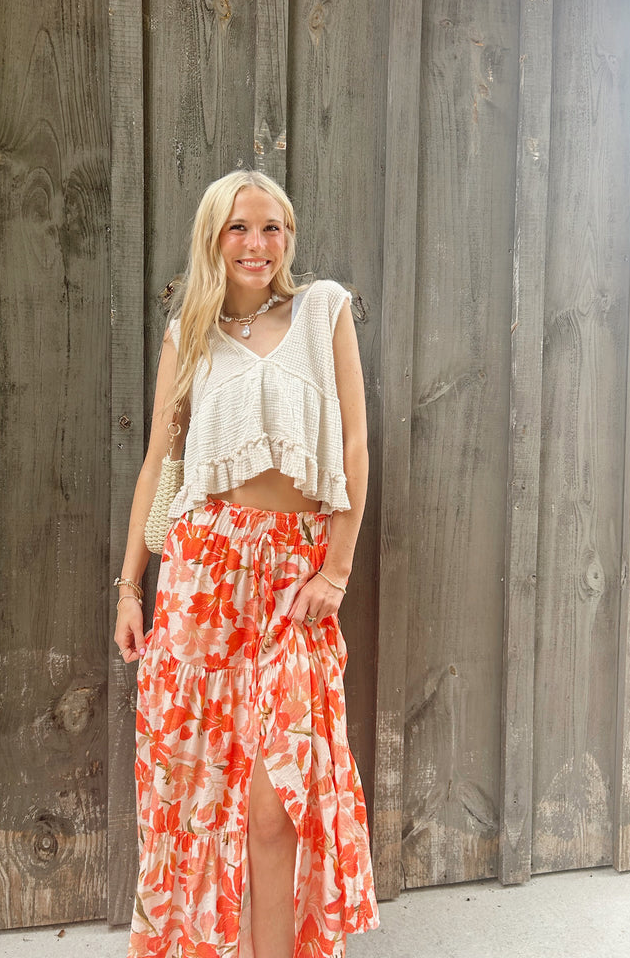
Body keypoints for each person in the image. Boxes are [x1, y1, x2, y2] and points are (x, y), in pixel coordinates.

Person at [114, 170, 379, 958]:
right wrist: (130, 589)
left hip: (294, 579)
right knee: (194, 791)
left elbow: (356, 446)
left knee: (277, 802)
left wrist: (337, 568)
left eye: (272, 228)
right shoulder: (187, 337)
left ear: (288, 237)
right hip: (202, 580)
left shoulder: (323, 310)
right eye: (239, 228)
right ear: (213, 237)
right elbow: (159, 462)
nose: (257, 244)